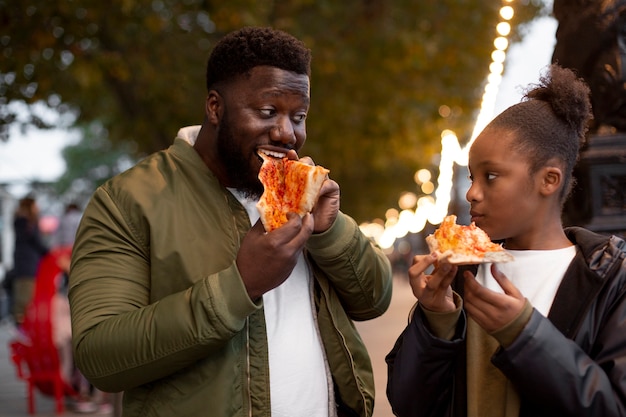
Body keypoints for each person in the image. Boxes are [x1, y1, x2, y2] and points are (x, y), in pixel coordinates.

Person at [69, 26, 393, 417]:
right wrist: (239, 285)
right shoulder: (127, 201)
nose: (286, 133)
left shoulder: (297, 194)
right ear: (215, 107)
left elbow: (375, 299)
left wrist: (331, 229)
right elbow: (101, 356)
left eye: (299, 116)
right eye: (268, 112)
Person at [386, 64, 626, 417]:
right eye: (471, 177)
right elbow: (410, 404)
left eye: (491, 176)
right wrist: (435, 321)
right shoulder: (461, 275)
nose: (471, 193)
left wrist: (525, 335)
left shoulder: (609, 279)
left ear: (549, 180)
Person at [11, 196, 49, 326]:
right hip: (26, 265)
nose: (37, 208)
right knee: (25, 298)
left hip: (26, 264)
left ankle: (24, 327)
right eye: (35, 205)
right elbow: (36, 242)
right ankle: (23, 328)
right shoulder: (24, 222)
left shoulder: (22, 221)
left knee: (26, 297)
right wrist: (49, 252)